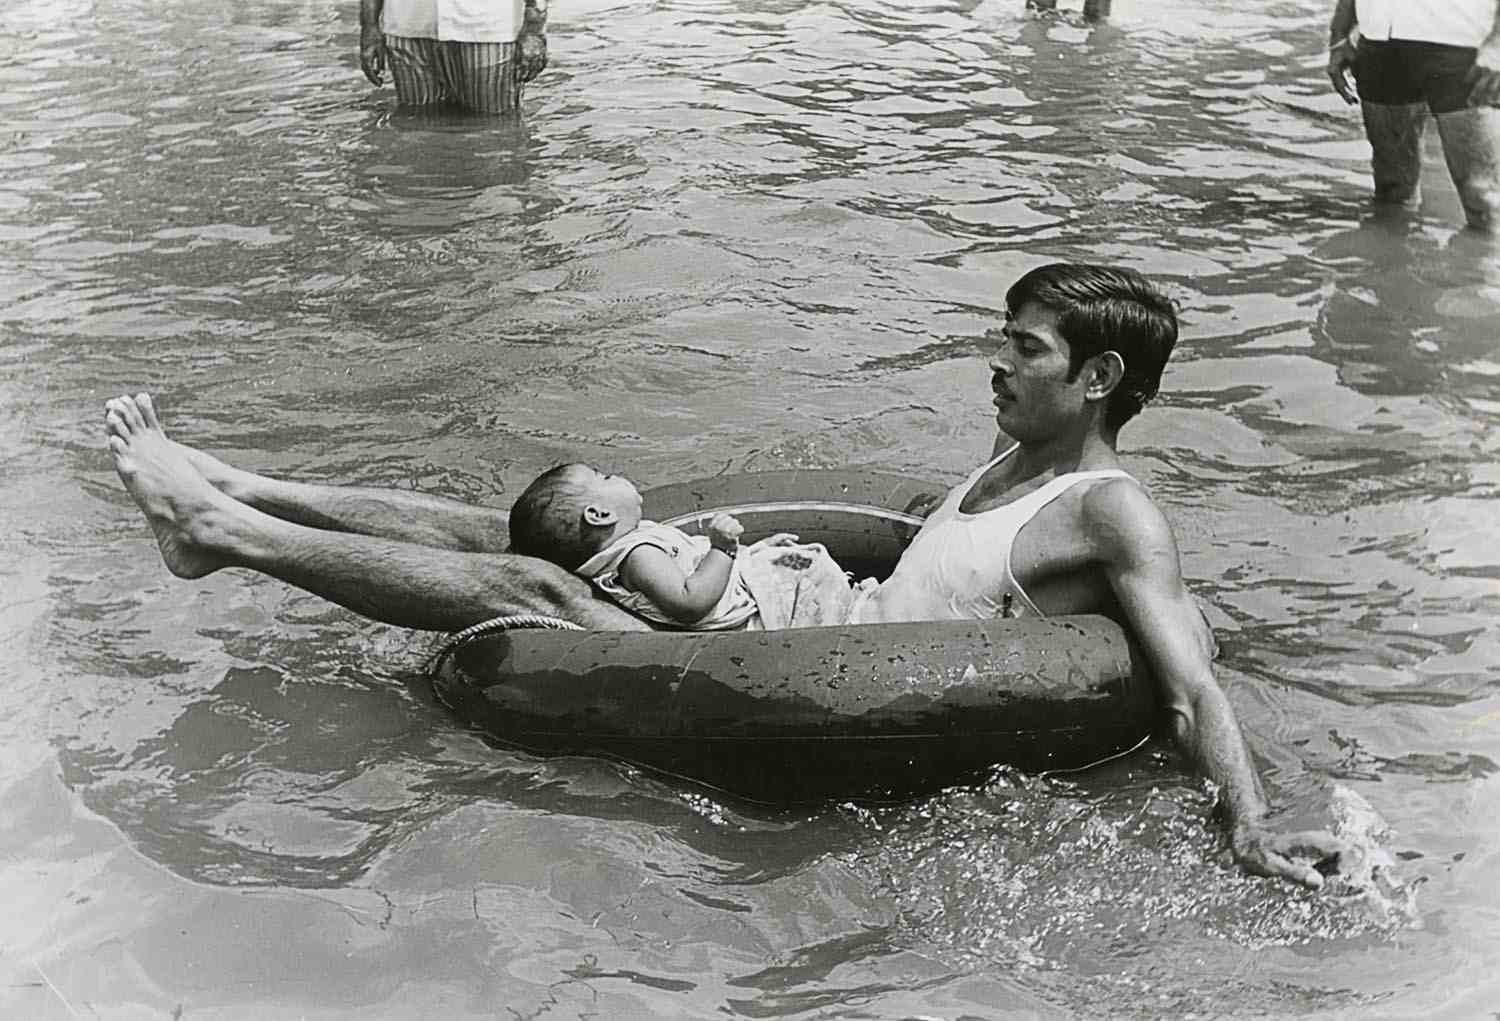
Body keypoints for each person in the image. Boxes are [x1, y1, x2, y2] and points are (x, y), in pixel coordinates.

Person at [103, 262, 1345, 887]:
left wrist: (1243, 811)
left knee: (545, 596)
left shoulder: (1114, 511)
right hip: (818, 609)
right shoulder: (1010, 452)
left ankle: (222, 539)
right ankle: (245, 482)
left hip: (805, 672)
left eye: (1021, 350)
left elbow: (1183, 681)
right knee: (531, 527)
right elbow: (922, 553)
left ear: (1100, 382)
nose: (994, 365)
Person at [507, 463, 829, 630]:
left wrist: (751, 553)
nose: (615, 475)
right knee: (819, 573)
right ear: (600, 515)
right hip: (742, 614)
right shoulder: (638, 557)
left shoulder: (629, 546)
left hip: (730, 585)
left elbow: (693, 563)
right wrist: (725, 548)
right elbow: (691, 603)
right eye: (604, 477)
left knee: (798, 561)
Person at [1326, 0, 1500, 230]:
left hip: (1462, 44)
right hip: (1380, 40)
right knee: (1393, 192)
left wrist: (1497, 47)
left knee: (1482, 197)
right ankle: (1395, 263)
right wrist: (1339, 33)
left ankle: (1483, 263)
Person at [358, 0, 549, 114]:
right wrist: (369, 26)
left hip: (488, 29)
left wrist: (534, 29)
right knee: (415, 127)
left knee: (495, 131)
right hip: (407, 25)